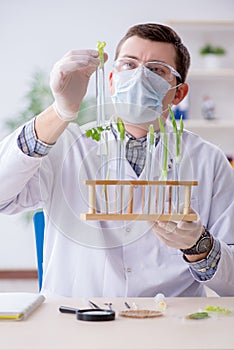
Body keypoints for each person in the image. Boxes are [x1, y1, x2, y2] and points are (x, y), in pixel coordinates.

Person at [0, 23, 234, 298]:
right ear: (111, 81)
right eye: (129, 65)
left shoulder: (209, 160)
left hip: (171, 325)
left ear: (179, 94)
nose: (139, 77)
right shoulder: (66, 146)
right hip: (76, 320)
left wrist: (199, 246)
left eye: (156, 70)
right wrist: (60, 112)